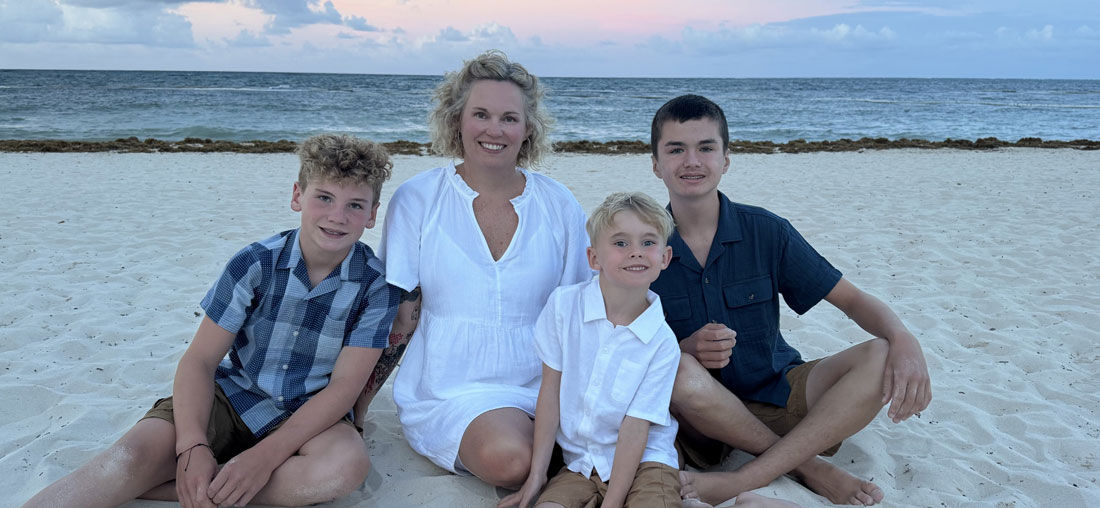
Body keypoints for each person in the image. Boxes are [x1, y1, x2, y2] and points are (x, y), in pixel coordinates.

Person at [21, 133, 404, 508]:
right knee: (126, 459)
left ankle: (180, 490)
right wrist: (192, 447)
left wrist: (265, 457)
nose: (337, 216)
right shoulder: (254, 263)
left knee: (344, 470)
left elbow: (343, 388)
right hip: (231, 394)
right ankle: (200, 477)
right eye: (324, 197)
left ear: (372, 214)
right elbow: (200, 361)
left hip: (310, 412)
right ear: (296, 196)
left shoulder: (376, 285)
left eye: (355, 205)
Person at [647, 95, 932, 506]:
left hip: (777, 393)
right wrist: (683, 348)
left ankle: (746, 476)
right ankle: (810, 468)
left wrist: (906, 340)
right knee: (678, 369)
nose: (692, 160)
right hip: (696, 418)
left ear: (726, 158)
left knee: (880, 354)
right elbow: (617, 345)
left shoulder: (766, 230)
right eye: (676, 149)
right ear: (656, 163)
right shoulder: (641, 245)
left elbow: (851, 300)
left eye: (706, 147)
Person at [379, 50, 591, 487]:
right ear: (456, 120)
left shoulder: (559, 204)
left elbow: (580, 308)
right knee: (510, 461)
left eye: (509, 118)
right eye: (481, 114)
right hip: (451, 389)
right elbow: (399, 315)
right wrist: (357, 409)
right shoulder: (417, 199)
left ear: (528, 128)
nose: (495, 130)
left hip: (546, 382)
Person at [500, 192, 681, 508]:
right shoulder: (563, 306)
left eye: (648, 243)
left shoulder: (662, 342)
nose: (636, 252)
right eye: (621, 243)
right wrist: (537, 476)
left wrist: (612, 502)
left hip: (645, 462)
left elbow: (635, 430)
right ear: (594, 258)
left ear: (664, 258)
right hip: (581, 462)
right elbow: (550, 392)